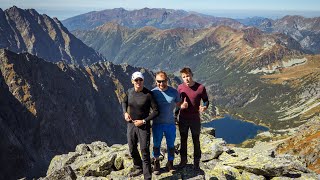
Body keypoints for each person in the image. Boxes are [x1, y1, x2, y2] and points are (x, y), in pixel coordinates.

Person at [122, 71, 159, 180]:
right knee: (132, 148)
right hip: (131, 125)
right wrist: (125, 113)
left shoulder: (148, 94)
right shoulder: (129, 92)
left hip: (143, 126)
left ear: (143, 81)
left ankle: (147, 177)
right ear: (132, 81)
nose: (138, 82)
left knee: (144, 151)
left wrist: (143, 121)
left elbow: (156, 111)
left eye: (140, 80)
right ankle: (138, 167)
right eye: (136, 80)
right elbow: (124, 102)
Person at [151, 71, 184, 175]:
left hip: (170, 124)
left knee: (171, 145)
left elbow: (179, 103)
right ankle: (156, 163)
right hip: (157, 124)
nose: (161, 83)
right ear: (156, 81)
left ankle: (170, 163)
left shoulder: (174, 92)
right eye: (159, 81)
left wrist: (176, 115)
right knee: (156, 145)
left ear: (167, 80)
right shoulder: (152, 93)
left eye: (164, 81)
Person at [176, 67, 209, 170]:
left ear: (192, 75)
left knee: (196, 140)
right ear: (182, 78)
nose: (186, 79)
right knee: (183, 140)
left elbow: (206, 100)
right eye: (184, 77)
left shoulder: (200, 88)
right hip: (183, 118)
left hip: (195, 118)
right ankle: (183, 160)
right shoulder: (180, 88)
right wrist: (181, 106)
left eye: (188, 76)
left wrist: (204, 107)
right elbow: (177, 103)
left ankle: (196, 162)